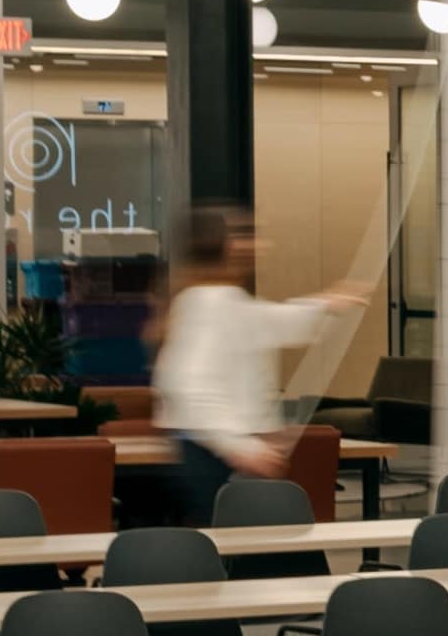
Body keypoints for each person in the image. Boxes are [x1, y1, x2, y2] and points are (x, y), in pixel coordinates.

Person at [152, 206, 365, 523]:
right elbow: (186, 383)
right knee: (227, 550)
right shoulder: (210, 302)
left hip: (223, 452)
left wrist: (327, 304)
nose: (260, 246)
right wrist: (238, 446)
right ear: (228, 246)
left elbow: (269, 322)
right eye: (247, 236)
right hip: (216, 455)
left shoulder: (218, 299)